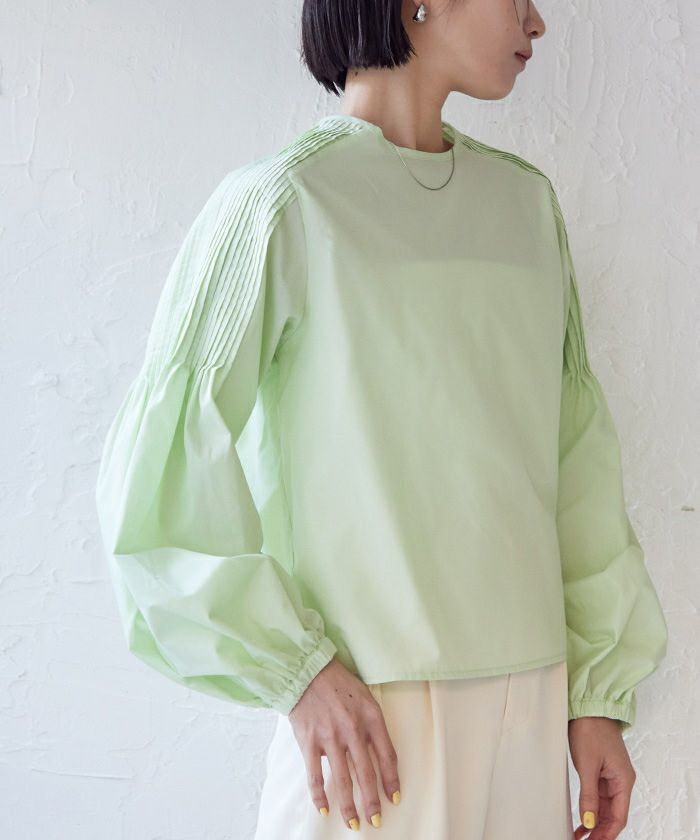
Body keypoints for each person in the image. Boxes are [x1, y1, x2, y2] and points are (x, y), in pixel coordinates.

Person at [94, 0, 669, 837]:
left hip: (533, 713)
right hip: (369, 729)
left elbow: (576, 458)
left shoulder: (526, 206)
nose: (536, 21)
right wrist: (297, 673)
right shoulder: (284, 203)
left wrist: (596, 699)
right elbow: (161, 480)